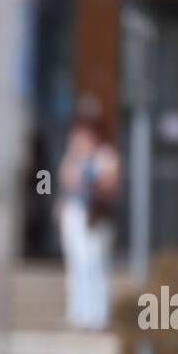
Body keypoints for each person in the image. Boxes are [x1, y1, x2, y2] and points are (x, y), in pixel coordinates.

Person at [56, 106, 120, 329]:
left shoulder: (106, 155)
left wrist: (88, 178)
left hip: (95, 215)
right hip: (75, 212)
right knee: (77, 263)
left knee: (93, 262)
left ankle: (97, 314)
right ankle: (78, 312)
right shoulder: (73, 156)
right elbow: (66, 180)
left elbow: (109, 183)